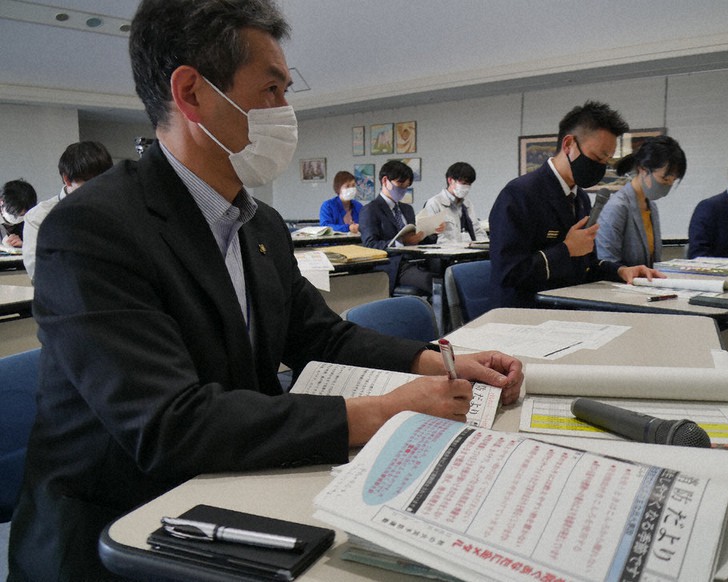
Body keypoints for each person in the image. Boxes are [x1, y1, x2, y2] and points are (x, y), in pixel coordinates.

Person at [7, 1, 523, 579]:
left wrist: (436, 361)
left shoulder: (259, 224)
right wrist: (378, 413)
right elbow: (171, 425)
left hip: (233, 487)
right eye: (271, 89)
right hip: (119, 530)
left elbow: (316, 333)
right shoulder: (91, 230)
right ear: (191, 92)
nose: (286, 111)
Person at [489, 101, 662, 309]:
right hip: (524, 315)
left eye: (606, 161)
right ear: (569, 144)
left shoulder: (580, 197)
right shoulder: (519, 194)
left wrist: (620, 271)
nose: (599, 168)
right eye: (596, 157)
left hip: (567, 308)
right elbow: (508, 273)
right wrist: (566, 249)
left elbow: (585, 265)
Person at [22, 141, 113, 281]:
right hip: (65, 295)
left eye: (103, 181)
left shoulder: (113, 210)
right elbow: (39, 272)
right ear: (67, 179)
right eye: (90, 183)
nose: (98, 189)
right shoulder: (39, 217)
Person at [596, 136, 687, 267]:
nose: (668, 185)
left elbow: (653, 260)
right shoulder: (617, 207)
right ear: (643, 170)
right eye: (665, 179)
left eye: (673, 181)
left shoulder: (651, 207)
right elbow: (607, 263)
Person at [359, 160, 441, 294]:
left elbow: (415, 239)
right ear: (385, 181)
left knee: (449, 273)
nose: (403, 190)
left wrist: (431, 232)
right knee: (433, 282)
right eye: (400, 184)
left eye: (406, 186)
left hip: (417, 260)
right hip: (393, 265)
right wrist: (401, 242)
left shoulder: (407, 209)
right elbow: (370, 245)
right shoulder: (370, 210)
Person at [420, 161, 488, 245]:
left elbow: (477, 230)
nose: (466, 187)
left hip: (467, 252)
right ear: (450, 180)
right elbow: (428, 237)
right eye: (463, 183)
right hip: (445, 254)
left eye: (469, 184)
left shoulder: (467, 204)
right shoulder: (435, 203)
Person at [0, 179, 37, 249]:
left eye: (22, 215)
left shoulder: (32, 222)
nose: (17, 218)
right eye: (13, 213)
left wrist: (24, 245)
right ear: (1, 202)